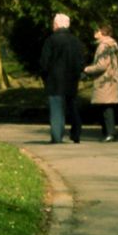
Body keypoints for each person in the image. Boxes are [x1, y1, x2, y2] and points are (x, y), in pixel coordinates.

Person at [38, 14, 84, 144]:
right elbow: (81, 62)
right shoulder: (76, 41)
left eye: (53, 23)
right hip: (71, 79)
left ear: (57, 25)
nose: (52, 26)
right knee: (72, 105)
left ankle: (57, 136)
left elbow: (44, 62)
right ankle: (76, 133)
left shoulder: (51, 40)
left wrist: (44, 76)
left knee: (56, 108)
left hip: (55, 80)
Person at [85, 22, 118, 141]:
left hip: (105, 81)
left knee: (106, 108)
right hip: (110, 80)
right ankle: (108, 133)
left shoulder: (103, 46)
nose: (94, 33)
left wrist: (87, 69)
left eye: (97, 30)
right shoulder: (110, 45)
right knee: (106, 107)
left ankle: (109, 133)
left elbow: (101, 66)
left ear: (102, 32)